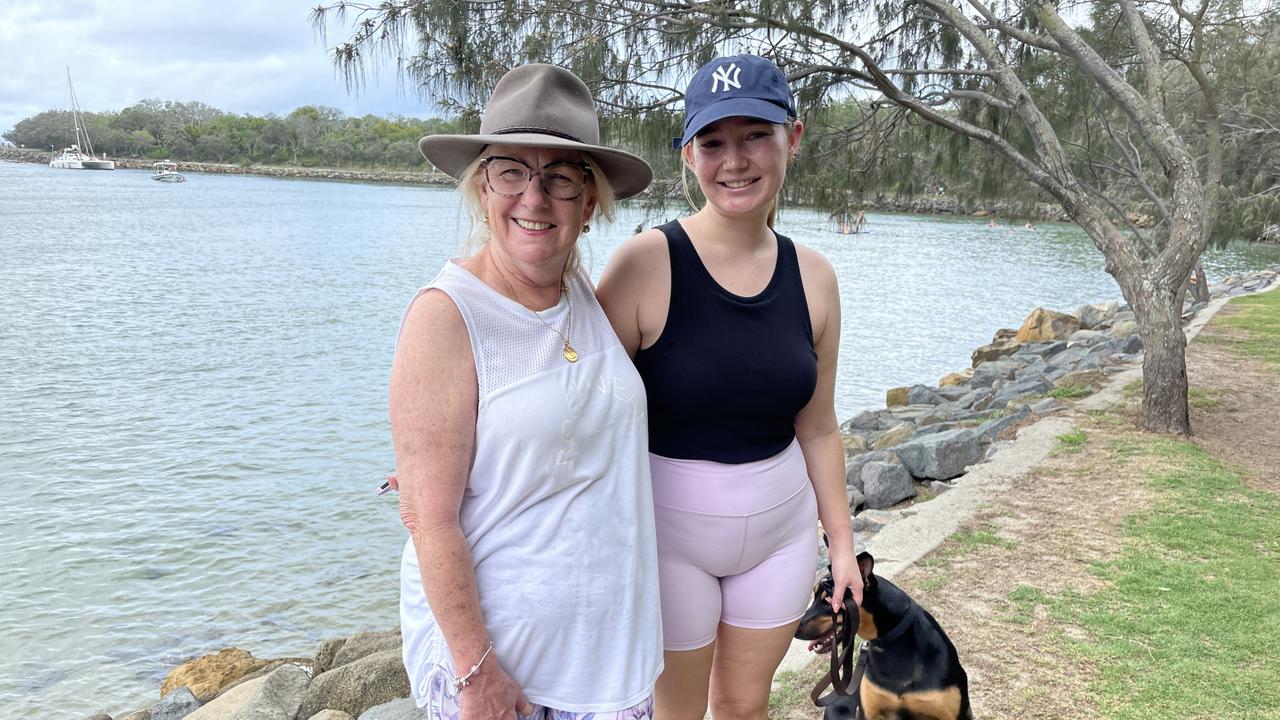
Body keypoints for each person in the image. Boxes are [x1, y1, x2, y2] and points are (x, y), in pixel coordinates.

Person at [391, 64, 662, 720]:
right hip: (510, 682)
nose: (534, 199)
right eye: (510, 170)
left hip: (610, 668)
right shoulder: (446, 315)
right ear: (482, 188)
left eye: (560, 177)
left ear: (589, 202)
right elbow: (430, 517)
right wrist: (476, 674)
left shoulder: (581, 296)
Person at [597, 54, 862, 720]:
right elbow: (576, 404)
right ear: (689, 154)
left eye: (755, 136)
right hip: (669, 538)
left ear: (792, 140)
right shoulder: (643, 263)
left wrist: (841, 545)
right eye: (713, 142)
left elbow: (819, 425)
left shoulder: (816, 277)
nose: (734, 160)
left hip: (780, 537)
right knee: (677, 714)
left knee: (745, 709)